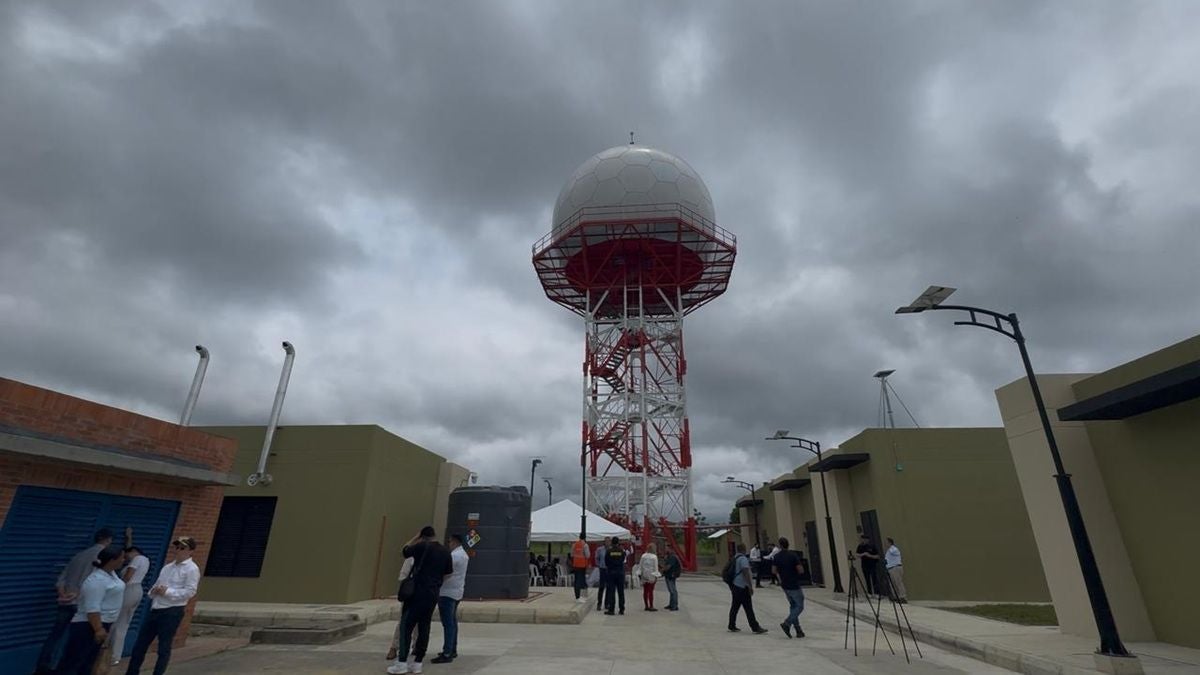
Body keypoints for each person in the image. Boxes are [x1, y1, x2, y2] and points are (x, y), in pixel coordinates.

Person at [36, 527, 119, 673]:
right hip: (83, 605)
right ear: (109, 540)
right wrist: (77, 594)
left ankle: (43, 667)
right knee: (79, 645)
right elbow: (93, 583)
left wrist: (63, 593)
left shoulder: (79, 555)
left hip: (65, 602)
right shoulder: (102, 559)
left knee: (55, 636)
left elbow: (62, 578)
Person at [124, 536, 200, 675]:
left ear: (190, 551)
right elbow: (158, 583)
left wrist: (168, 592)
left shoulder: (191, 569)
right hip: (156, 608)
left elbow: (190, 591)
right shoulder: (168, 567)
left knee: (163, 648)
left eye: (182, 548)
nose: (178, 550)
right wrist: (153, 591)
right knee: (140, 645)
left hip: (172, 611)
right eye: (176, 547)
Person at [389, 526, 453, 675]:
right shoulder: (445, 551)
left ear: (423, 537)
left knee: (406, 625)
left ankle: (401, 663)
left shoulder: (421, 546)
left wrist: (415, 538)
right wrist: (436, 583)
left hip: (416, 593)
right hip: (432, 594)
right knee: (424, 627)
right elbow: (448, 574)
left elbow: (404, 551)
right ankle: (417, 663)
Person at [55, 544, 126, 674]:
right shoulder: (97, 580)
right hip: (89, 625)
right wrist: (98, 629)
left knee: (88, 663)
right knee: (74, 661)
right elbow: (92, 608)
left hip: (103, 623)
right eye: (121, 558)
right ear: (112, 560)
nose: (123, 560)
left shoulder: (112, 575)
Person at [109, 545, 150, 667]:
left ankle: (111, 654)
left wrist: (114, 589)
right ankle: (116, 655)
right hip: (137, 590)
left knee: (115, 622)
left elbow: (128, 576)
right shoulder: (146, 560)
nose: (125, 559)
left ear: (133, 552)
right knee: (124, 623)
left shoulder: (137, 559)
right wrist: (129, 536)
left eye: (126, 555)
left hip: (128, 589)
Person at [431, 533, 469, 664]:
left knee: (448, 623)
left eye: (450, 541)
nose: (448, 544)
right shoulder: (464, 555)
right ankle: (452, 649)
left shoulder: (454, 556)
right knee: (452, 622)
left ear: (454, 542)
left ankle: (447, 652)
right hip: (457, 591)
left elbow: (445, 571)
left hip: (447, 592)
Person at [727, 543, 767, 634]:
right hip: (742, 586)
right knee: (748, 608)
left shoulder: (735, 558)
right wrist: (750, 586)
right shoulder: (743, 559)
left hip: (735, 585)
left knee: (735, 606)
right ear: (744, 549)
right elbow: (745, 572)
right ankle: (755, 627)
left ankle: (731, 625)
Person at [771, 537, 806, 638]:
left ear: (780, 545)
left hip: (784, 584)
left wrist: (780, 577)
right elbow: (800, 570)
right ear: (788, 544)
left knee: (793, 606)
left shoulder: (777, 557)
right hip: (794, 583)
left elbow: (773, 571)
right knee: (799, 606)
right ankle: (787, 623)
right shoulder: (793, 555)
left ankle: (798, 630)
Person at [386, 555, 415, 662]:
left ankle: (416, 646)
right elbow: (402, 576)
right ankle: (394, 647)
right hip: (411, 593)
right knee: (403, 620)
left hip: (424, 593)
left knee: (420, 622)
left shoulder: (431, 555)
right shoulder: (412, 557)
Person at [603, 536, 626, 615]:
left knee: (612, 592)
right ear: (618, 542)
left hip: (611, 573)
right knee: (621, 592)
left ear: (612, 543)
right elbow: (623, 560)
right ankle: (621, 609)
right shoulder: (622, 551)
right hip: (620, 573)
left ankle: (611, 609)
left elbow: (606, 562)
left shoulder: (609, 551)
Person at [884, 537, 907, 603]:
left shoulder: (894, 549)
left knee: (898, 583)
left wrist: (890, 547)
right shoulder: (888, 551)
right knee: (893, 584)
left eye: (886, 542)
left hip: (895, 568)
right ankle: (896, 597)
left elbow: (894, 552)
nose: (885, 543)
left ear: (890, 542)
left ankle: (903, 597)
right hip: (890, 569)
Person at [638, 543, 660, 611]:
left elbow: (640, 566)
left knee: (645, 591)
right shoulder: (654, 557)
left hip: (644, 574)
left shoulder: (643, 556)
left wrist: (640, 574)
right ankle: (651, 606)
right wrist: (656, 576)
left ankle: (646, 606)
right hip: (651, 575)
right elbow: (656, 568)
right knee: (651, 591)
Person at [569, 534, 590, 602]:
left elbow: (572, 554)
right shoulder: (585, 545)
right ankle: (581, 597)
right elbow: (587, 555)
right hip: (582, 565)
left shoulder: (574, 544)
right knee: (581, 581)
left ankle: (577, 596)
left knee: (576, 580)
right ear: (585, 538)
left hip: (575, 565)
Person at [592, 539, 608, 611]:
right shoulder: (600, 549)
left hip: (609, 570)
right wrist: (599, 565)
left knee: (608, 587)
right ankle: (599, 604)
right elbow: (596, 558)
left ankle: (607, 603)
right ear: (604, 542)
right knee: (601, 587)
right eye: (607, 541)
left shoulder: (611, 550)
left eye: (609, 541)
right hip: (602, 569)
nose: (608, 543)